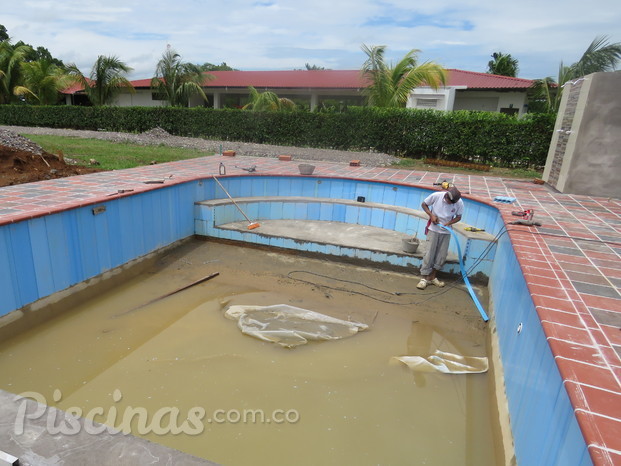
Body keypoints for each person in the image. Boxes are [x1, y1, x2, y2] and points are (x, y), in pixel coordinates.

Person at [417, 186, 464, 290]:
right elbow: (424, 204)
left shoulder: (459, 202)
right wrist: (431, 215)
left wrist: (449, 223)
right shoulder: (436, 196)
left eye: (453, 203)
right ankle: (424, 278)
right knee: (429, 253)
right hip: (433, 229)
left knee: (441, 255)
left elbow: (459, 216)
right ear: (446, 196)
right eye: (449, 202)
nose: (451, 204)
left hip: (446, 231)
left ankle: (432, 277)